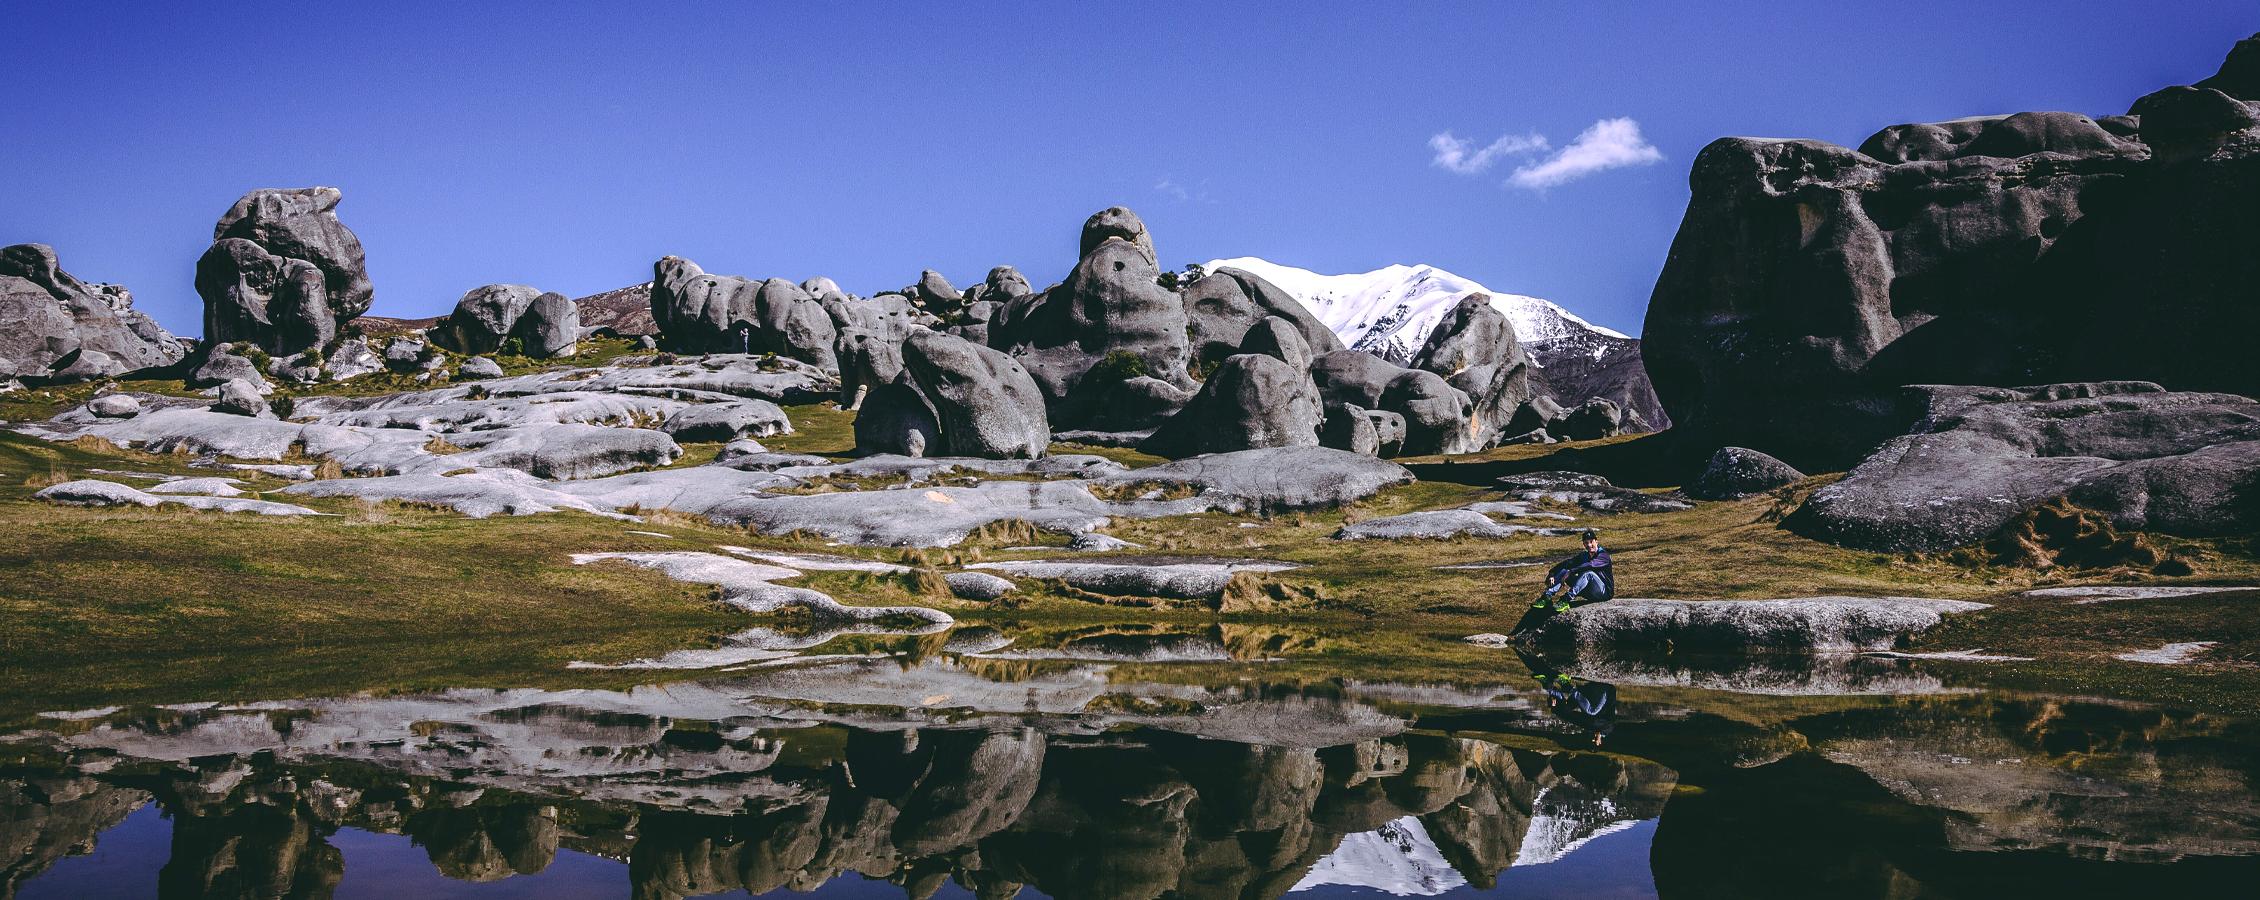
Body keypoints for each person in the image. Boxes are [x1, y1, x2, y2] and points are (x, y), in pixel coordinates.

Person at [1533, 529, 1612, 613]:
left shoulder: (1603, 555)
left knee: (1588, 574)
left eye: (1591, 541)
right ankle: (1547, 597)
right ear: (1583, 544)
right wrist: (1552, 573)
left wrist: (1571, 572)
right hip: (1589, 592)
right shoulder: (1584, 555)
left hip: (1604, 592)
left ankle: (1566, 600)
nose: (1589, 545)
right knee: (1564, 571)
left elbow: (1590, 564)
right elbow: (1568, 563)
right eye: (1586, 542)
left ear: (1596, 541)